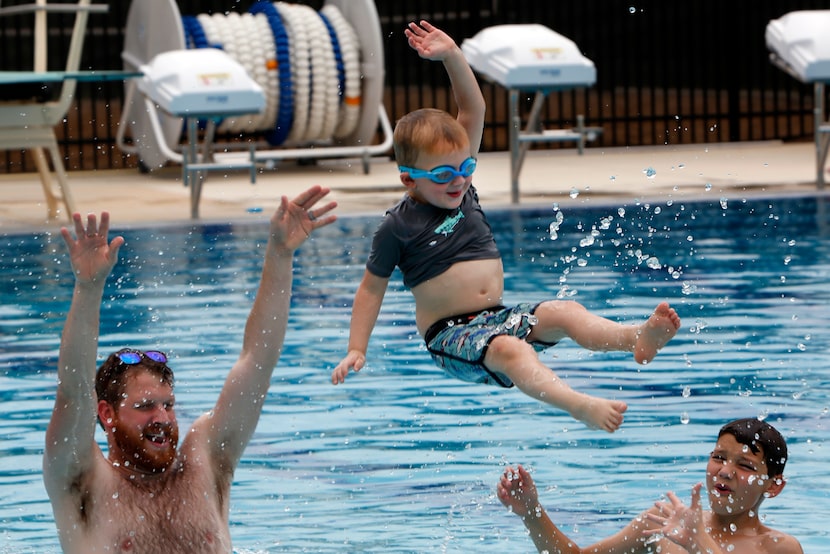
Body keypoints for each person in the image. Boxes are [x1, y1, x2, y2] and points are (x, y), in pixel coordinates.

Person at [330, 20, 681, 433]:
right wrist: (357, 347)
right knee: (513, 351)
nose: (459, 180)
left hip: (497, 316)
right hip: (451, 338)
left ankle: (635, 337)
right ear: (409, 179)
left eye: (466, 168)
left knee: (563, 312)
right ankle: (579, 405)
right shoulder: (398, 227)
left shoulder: (463, 191)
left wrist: (452, 57)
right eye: (444, 174)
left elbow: (474, 109)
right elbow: (372, 287)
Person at [43, 186, 337, 553]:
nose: (162, 417)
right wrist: (88, 289)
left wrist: (279, 254)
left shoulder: (205, 463)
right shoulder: (84, 480)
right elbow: (72, 391)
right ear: (106, 413)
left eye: (167, 404)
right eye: (145, 405)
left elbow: (257, 362)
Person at [497, 417, 804, 553]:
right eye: (719, 457)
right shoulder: (662, 523)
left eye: (745, 465)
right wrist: (532, 514)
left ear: (774, 486)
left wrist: (698, 542)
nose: (725, 472)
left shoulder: (779, 548)